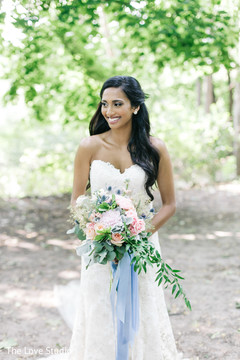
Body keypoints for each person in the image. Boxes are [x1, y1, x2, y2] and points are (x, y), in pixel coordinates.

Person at [39, 75, 183, 360]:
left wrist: (135, 236)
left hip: (142, 246)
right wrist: (99, 233)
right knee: (101, 306)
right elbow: (77, 200)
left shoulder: (156, 148)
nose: (109, 111)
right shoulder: (89, 146)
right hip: (99, 246)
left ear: (135, 107)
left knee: (141, 308)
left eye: (118, 104)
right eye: (105, 104)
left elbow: (170, 204)